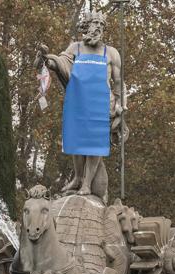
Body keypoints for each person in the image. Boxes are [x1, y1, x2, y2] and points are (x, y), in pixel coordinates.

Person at [34, 11, 123, 198]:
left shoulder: (111, 53)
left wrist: (120, 104)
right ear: (86, 26)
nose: (98, 27)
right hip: (78, 101)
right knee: (75, 141)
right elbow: (61, 63)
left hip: (101, 104)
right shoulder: (76, 48)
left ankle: (87, 184)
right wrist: (46, 59)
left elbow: (118, 81)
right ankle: (77, 177)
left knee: (95, 144)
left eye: (101, 25)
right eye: (95, 23)